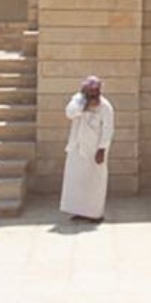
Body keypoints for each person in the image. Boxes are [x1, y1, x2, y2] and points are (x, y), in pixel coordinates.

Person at [60, 75, 114, 223]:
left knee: (95, 182)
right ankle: (80, 211)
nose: (92, 94)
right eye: (89, 91)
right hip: (77, 148)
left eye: (95, 91)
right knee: (76, 180)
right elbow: (70, 113)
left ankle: (96, 214)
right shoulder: (78, 100)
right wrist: (83, 104)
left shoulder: (105, 106)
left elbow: (108, 129)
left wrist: (102, 149)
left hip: (95, 150)